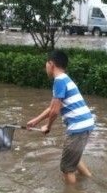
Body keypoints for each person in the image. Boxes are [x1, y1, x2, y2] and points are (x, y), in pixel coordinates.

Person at [27, 50, 95, 184]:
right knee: (74, 157)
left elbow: (55, 112)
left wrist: (48, 127)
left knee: (67, 168)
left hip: (78, 127)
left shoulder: (58, 81)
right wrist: (36, 121)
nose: (45, 67)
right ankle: (90, 180)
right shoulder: (64, 78)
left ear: (51, 64)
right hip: (86, 124)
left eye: (46, 64)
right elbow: (52, 107)